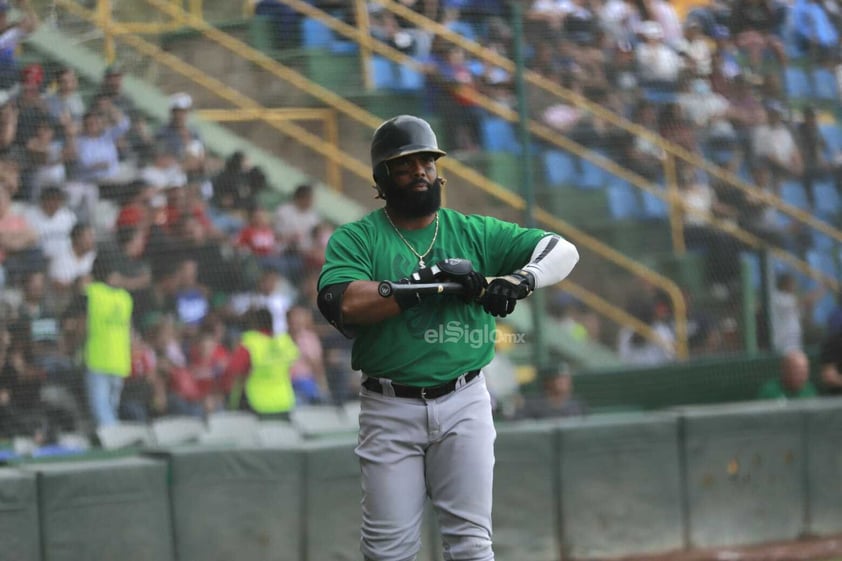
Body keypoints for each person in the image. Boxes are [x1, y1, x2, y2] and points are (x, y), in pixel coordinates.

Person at [316, 114, 579, 561]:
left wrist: (522, 279)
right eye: (406, 165)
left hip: (465, 400)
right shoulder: (358, 238)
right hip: (390, 406)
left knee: (472, 545)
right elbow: (341, 302)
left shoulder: (471, 231)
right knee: (388, 551)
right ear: (383, 177)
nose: (420, 171)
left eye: (427, 163)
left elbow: (563, 250)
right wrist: (428, 282)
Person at [81, 254, 134, 428]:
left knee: (100, 408)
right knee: (110, 407)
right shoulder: (125, 298)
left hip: (98, 360)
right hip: (120, 362)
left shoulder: (91, 292)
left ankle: (112, 440)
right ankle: (113, 436)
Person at [221, 307, 298, 419]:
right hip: (284, 401)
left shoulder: (250, 343)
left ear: (253, 323)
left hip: (257, 403)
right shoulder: (285, 342)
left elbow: (233, 370)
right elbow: (292, 370)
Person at [515, 362, 588, 419]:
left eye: (566, 378)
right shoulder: (532, 405)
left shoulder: (577, 405)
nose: (563, 382)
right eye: (558, 378)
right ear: (547, 382)